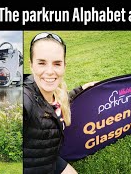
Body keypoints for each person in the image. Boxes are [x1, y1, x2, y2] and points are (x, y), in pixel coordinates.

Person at [23, 32, 96, 174]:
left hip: (50, 160)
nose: (50, 72)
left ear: (64, 66)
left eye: (57, 64)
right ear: (31, 65)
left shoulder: (57, 91)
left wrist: (83, 88)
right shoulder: (26, 96)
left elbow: (60, 102)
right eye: (42, 63)